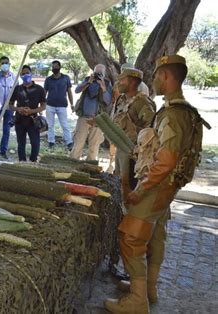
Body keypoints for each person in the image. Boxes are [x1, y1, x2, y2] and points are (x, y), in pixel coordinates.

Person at [104, 55, 210, 313]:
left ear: (165, 76)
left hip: (158, 185)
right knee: (155, 235)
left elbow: (167, 159)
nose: (153, 81)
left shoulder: (173, 114)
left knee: (130, 237)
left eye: (156, 76)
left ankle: (138, 300)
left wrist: (140, 190)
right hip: (167, 187)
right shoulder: (184, 111)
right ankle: (148, 287)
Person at [111, 68, 155, 202]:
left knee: (128, 184)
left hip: (132, 152)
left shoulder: (142, 102)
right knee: (119, 180)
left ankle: (130, 214)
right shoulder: (121, 99)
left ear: (132, 82)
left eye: (122, 80)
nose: (118, 82)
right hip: (120, 148)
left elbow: (151, 129)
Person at [70, 64, 112, 160]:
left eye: (100, 73)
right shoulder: (87, 79)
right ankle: (73, 162)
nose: (98, 75)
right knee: (78, 142)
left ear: (104, 74)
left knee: (94, 145)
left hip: (98, 119)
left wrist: (103, 88)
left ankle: (91, 165)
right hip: (83, 117)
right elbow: (77, 90)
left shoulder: (107, 83)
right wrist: (88, 82)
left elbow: (108, 101)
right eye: (96, 72)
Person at [9, 65, 46, 162]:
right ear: (20, 75)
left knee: (35, 143)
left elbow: (43, 106)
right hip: (19, 120)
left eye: (27, 73)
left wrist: (32, 111)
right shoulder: (17, 89)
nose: (25, 75)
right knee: (21, 143)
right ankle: (22, 162)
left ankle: (33, 161)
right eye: (23, 73)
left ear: (31, 73)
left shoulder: (39, 89)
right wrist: (18, 109)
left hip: (33, 121)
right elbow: (10, 105)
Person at [44, 60, 74, 150]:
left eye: (56, 66)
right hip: (50, 105)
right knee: (50, 125)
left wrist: (72, 104)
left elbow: (69, 92)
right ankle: (51, 142)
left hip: (62, 106)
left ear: (60, 67)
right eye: (53, 67)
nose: (54, 68)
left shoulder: (66, 78)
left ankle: (69, 142)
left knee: (64, 124)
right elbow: (44, 92)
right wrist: (41, 104)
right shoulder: (48, 79)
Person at [0, 56, 16, 159]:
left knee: (6, 131)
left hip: (9, 109)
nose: (4, 64)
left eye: (6, 62)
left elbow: (16, 93)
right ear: (0, 64)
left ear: (9, 64)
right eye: (2, 63)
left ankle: (3, 151)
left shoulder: (14, 78)